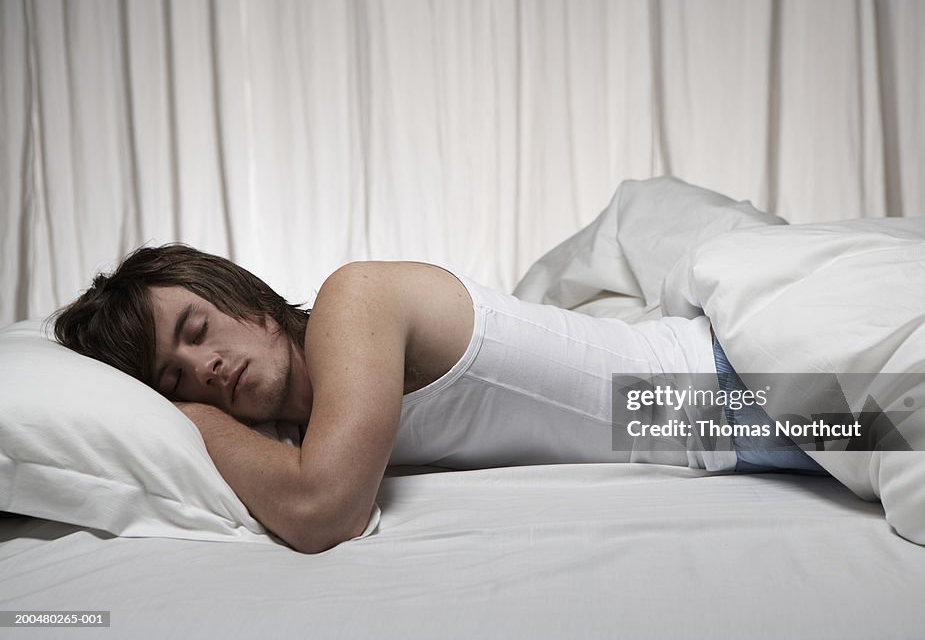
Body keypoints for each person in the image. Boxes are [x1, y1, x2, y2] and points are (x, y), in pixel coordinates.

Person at [53, 243, 819, 553]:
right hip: (709, 424)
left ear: (240, 296)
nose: (206, 367)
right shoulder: (298, 432)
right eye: (174, 377)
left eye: (196, 328)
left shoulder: (352, 301)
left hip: (726, 389)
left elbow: (325, 508)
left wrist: (187, 417)